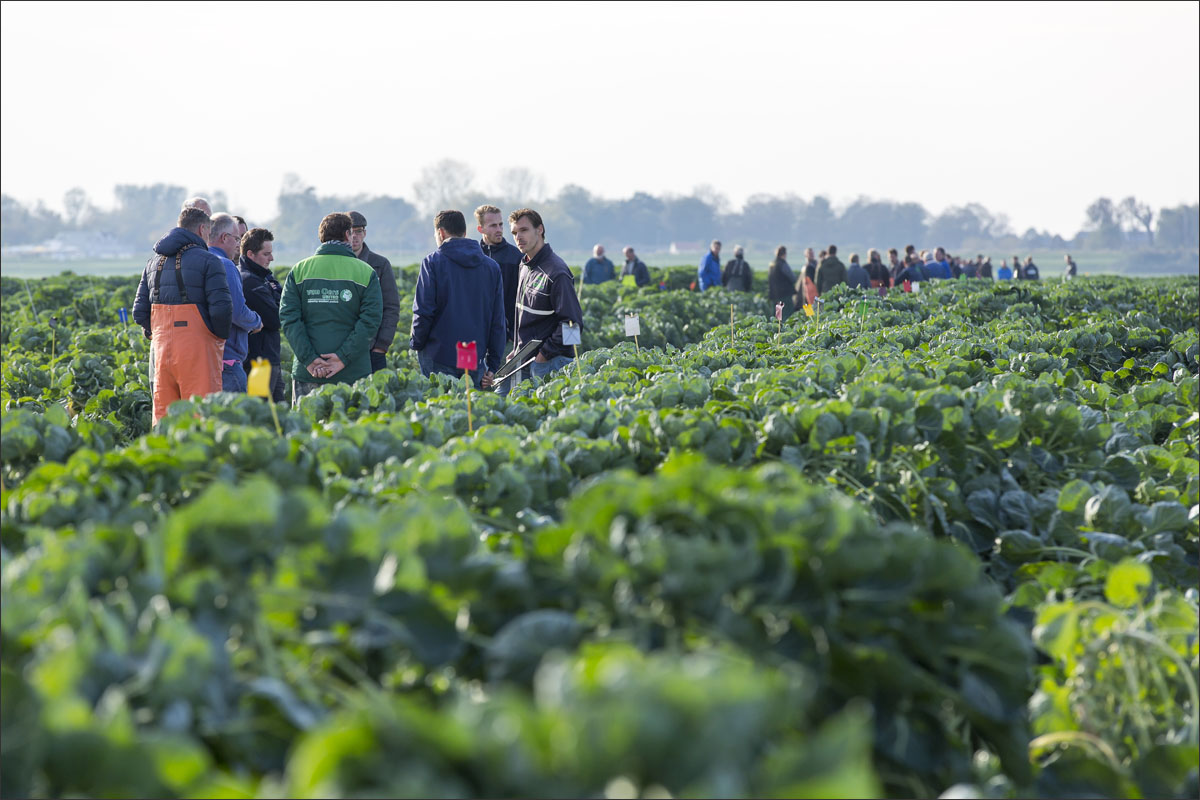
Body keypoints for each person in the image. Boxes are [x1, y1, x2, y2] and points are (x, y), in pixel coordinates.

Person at [132, 206, 232, 424]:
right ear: (202, 229)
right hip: (197, 352)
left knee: (164, 419)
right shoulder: (209, 261)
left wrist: (157, 332)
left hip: (161, 350)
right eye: (208, 232)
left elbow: (138, 312)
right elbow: (222, 310)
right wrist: (217, 337)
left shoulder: (153, 263)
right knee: (201, 416)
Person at [279, 212, 383, 404]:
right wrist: (342, 358)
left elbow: (289, 319)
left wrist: (310, 360)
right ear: (347, 235)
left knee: (305, 422)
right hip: (353, 372)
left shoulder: (299, 270)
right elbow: (370, 321)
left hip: (308, 372)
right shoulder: (366, 272)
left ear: (321, 236)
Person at [410, 210, 506, 388]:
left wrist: (416, 343)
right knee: (469, 403)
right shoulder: (491, 267)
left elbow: (424, 311)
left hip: (438, 354)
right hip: (473, 355)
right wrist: (493, 364)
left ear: (441, 233)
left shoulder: (432, 262)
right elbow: (497, 319)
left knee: (441, 403)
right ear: (464, 232)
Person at [500, 208, 583, 390]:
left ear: (540, 229)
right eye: (514, 233)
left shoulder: (557, 272)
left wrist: (545, 355)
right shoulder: (524, 265)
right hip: (523, 360)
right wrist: (517, 350)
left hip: (550, 362)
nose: (518, 237)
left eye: (524, 230)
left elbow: (574, 324)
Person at [207, 213, 262, 392]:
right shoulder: (226, 265)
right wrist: (256, 321)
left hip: (203, 359)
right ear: (224, 237)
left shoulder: (199, 260)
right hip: (228, 359)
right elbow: (237, 312)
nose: (239, 245)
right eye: (237, 239)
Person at [347, 211, 401, 373]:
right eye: (350, 232)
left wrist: (381, 346)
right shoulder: (336, 264)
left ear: (365, 233)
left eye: (358, 231)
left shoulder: (380, 264)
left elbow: (391, 307)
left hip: (372, 349)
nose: (354, 236)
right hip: (341, 349)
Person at [239, 227, 285, 402]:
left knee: (277, 410)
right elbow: (276, 319)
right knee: (260, 410)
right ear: (250, 254)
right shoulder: (250, 281)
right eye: (266, 254)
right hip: (259, 362)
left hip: (268, 357)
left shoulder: (263, 277)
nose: (271, 258)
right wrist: (276, 297)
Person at [476, 204, 523, 345]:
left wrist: (513, 333)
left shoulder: (516, 257)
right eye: (493, 226)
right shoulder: (473, 257)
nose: (499, 229)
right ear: (480, 229)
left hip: (506, 338)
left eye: (500, 224)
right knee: (467, 362)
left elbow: (522, 299)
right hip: (475, 337)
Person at [767, 245, 797, 319]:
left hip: (774, 294)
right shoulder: (782, 264)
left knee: (777, 316)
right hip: (784, 295)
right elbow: (792, 278)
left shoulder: (772, 264)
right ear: (784, 254)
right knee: (787, 315)